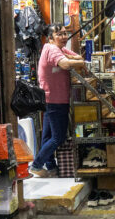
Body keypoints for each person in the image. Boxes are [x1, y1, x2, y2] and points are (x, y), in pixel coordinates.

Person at [32, 25, 88, 177]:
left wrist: (75, 60)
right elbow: (66, 64)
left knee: (48, 136)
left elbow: (76, 57)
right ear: (50, 38)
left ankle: (50, 167)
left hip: (53, 98)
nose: (64, 37)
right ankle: (36, 166)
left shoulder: (59, 49)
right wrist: (80, 63)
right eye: (59, 34)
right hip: (55, 99)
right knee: (58, 137)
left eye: (65, 33)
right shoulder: (52, 49)